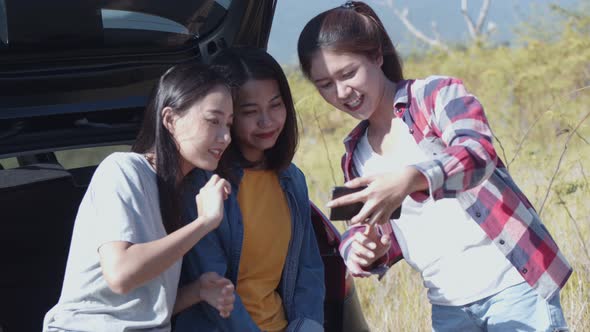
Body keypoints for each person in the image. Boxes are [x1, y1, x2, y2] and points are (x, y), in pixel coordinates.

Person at [297, 1, 572, 331]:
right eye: (325, 84)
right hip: (449, 307)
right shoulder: (354, 154)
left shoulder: (434, 95)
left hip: (513, 288)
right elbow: (367, 229)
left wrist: (412, 178)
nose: (342, 92)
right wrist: (360, 250)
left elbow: (477, 153)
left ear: (376, 56)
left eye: (348, 73)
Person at [43, 63, 236, 332]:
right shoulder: (122, 169)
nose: (225, 136)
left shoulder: (179, 191)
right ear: (170, 119)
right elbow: (121, 274)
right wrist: (204, 222)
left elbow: (139, 311)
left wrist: (198, 290)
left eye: (228, 123)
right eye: (213, 120)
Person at [174, 47, 325, 332]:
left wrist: (308, 325)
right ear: (228, 116)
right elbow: (212, 288)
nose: (266, 121)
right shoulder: (202, 186)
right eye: (250, 112)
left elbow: (309, 269)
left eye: (276, 105)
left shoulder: (292, 180)